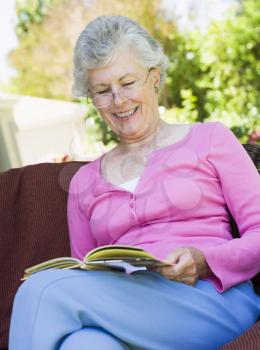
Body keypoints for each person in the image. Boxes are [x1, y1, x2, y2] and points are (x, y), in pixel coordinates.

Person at [9, 15, 260, 350]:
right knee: (82, 344)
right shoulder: (84, 181)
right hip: (128, 309)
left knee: (40, 290)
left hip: (211, 299)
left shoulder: (211, 139)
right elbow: (85, 274)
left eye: (127, 83)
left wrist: (203, 260)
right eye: (102, 91)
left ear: (154, 78)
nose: (118, 101)